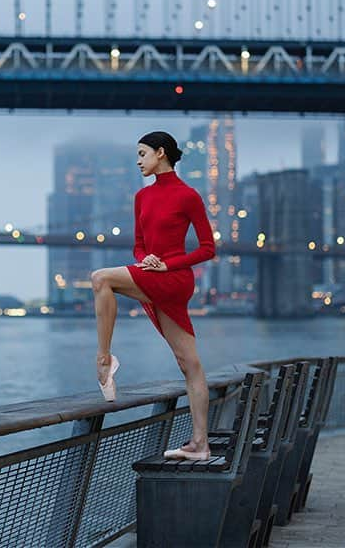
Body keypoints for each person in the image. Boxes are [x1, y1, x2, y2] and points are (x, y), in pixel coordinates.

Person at [90, 131, 217, 461]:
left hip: (174, 280)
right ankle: (200, 445)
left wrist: (167, 264)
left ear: (161, 153)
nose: (138, 160)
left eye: (143, 153)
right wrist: (145, 259)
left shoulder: (188, 196)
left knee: (100, 278)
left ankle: (104, 360)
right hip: (150, 273)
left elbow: (207, 248)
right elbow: (139, 244)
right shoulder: (142, 198)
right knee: (190, 364)